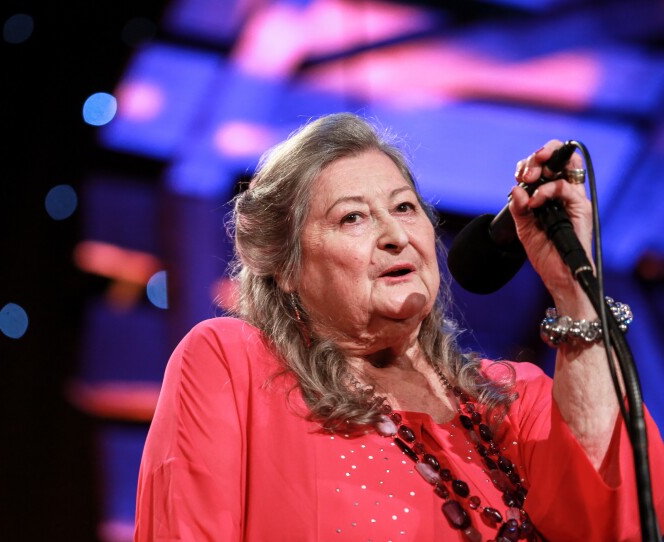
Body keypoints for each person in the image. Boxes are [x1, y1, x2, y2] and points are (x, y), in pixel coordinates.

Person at [133, 112, 664, 541]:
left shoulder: (512, 400)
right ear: (286, 267)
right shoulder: (234, 364)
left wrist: (574, 290)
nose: (395, 235)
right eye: (352, 218)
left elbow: (610, 522)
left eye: (405, 208)